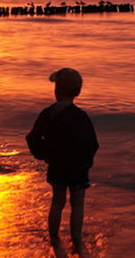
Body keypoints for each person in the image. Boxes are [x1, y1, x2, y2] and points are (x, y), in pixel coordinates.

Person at [26, 67, 99, 247]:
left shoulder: (48, 114)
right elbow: (92, 143)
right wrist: (86, 162)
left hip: (57, 165)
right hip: (78, 168)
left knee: (57, 202)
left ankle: (54, 238)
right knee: (77, 205)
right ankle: (76, 240)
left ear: (56, 90)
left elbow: (32, 138)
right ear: (78, 92)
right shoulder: (80, 117)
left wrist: (44, 155)